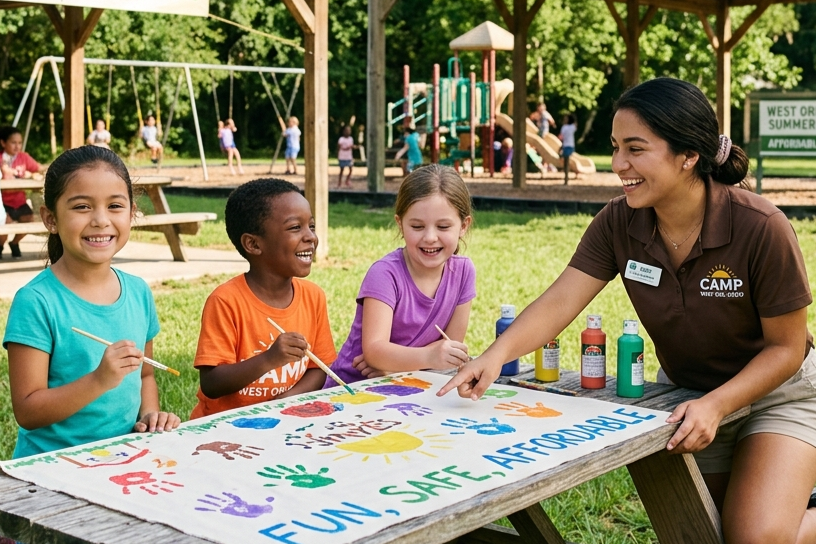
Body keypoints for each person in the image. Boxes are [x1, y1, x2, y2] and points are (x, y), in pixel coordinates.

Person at [440, 77, 816, 544]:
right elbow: (561, 300)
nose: (619, 165)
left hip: (780, 392)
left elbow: (786, 349)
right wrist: (493, 357)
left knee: (756, 538)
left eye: (636, 149)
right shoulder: (619, 220)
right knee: (702, 533)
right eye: (616, 147)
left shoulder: (762, 227)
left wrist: (717, 405)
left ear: (688, 155)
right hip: (688, 393)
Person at [3, 146, 180, 458]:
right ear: (51, 219)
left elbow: (145, 374)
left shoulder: (138, 292)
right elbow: (28, 410)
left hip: (122, 458)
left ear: (132, 212)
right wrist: (99, 380)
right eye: (82, 207)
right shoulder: (36, 301)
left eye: (114, 206)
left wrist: (150, 416)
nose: (101, 220)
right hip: (51, 466)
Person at [190, 178, 336, 418]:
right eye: (294, 228)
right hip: (227, 427)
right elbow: (212, 383)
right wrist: (270, 358)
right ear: (253, 244)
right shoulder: (226, 301)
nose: (310, 236)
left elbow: (320, 368)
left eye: (310, 225)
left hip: (284, 419)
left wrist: (287, 401)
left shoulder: (313, 296)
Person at [324, 164, 474, 388]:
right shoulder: (385, 274)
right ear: (400, 225)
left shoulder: (464, 272)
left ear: (463, 226)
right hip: (353, 390)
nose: (430, 237)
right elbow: (375, 351)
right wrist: (427, 357)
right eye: (417, 226)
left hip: (412, 387)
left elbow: (450, 352)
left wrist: (393, 365)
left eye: (443, 226)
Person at [0, 126, 40, 259]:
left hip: (19, 200)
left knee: (29, 222)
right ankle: (0, 246)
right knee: (4, 229)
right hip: (4, 202)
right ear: (3, 143)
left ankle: (15, 243)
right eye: (13, 142)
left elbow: (37, 168)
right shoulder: (1, 159)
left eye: (20, 143)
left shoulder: (23, 157)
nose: (17, 146)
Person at [559, 114, 577, 185]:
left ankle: (566, 179)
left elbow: (561, 137)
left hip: (568, 145)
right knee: (566, 161)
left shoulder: (566, 127)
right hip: (568, 145)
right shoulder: (570, 127)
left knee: (566, 162)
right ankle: (566, 178)